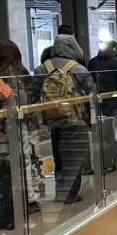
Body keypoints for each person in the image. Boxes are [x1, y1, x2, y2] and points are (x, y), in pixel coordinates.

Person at [0, 38, 42, 212]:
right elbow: (30, 98)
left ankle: (2, 199)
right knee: (24, 161)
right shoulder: (22, 72)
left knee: (0, 162)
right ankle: (28, 199)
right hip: (19, 124)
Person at [33, 31, 96, 204]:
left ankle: (60, 191)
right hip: (76, 120)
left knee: (58, 156)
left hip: (53, 120)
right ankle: (71, 194)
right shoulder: (79, 69)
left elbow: (33, 94)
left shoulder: (42, 68)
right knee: (74, 157)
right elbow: (92, 95)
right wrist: (91, 121)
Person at [88, 39, 117, 120]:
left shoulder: (92, 61)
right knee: (116, 122)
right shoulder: (115, 62)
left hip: (97, 98)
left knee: (101, 122)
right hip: (113, 98)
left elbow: (90, 79)